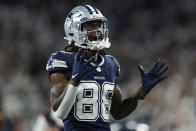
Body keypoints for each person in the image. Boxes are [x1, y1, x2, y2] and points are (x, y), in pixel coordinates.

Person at [46, 5, 168, 131]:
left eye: (99, 25)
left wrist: (142, 92)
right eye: (91, 26)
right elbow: (59, 113)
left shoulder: (110, 64)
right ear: (74, 29)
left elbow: (118, 112)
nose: (98, 30)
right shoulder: (62, 60)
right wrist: (75, 80)